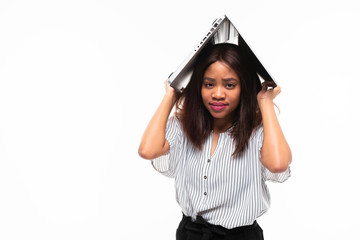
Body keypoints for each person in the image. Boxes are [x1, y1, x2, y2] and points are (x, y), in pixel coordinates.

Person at [138, 43, 292, 240]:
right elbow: (147, 150)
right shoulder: (183, 125)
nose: (218, 94)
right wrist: (170, 95)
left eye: (230, 85)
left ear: (243, 87)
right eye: (209, 84)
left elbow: (278, 164)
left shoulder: (258, 131)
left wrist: (265, 103)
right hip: (191, 234)